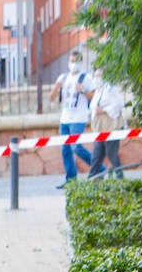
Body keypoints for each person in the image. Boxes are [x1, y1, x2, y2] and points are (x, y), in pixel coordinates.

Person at [50, 51, 97, 188]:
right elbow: (51, 98)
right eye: (71, 61)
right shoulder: (63, 77)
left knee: (76, 147)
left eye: (75, 61)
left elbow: (93, 96)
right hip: (65, 118)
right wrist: (55, 89)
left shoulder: (86, 78)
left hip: (78, 117)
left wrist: (82, 90)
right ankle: (71, 179)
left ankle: (98, 168)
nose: (73, 64)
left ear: (80, 63)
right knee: (65, 149)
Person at [88, 69, 126, 179]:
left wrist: (104, 110)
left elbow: (118, 104)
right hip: (100, 127)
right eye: (95, 76)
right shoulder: (98, 91)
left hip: (110, 126)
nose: (96, 79)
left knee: (111, 153)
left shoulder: (110, 89)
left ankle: (120, 178)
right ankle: (93, 178)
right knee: (97, 153)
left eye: (99, 76)